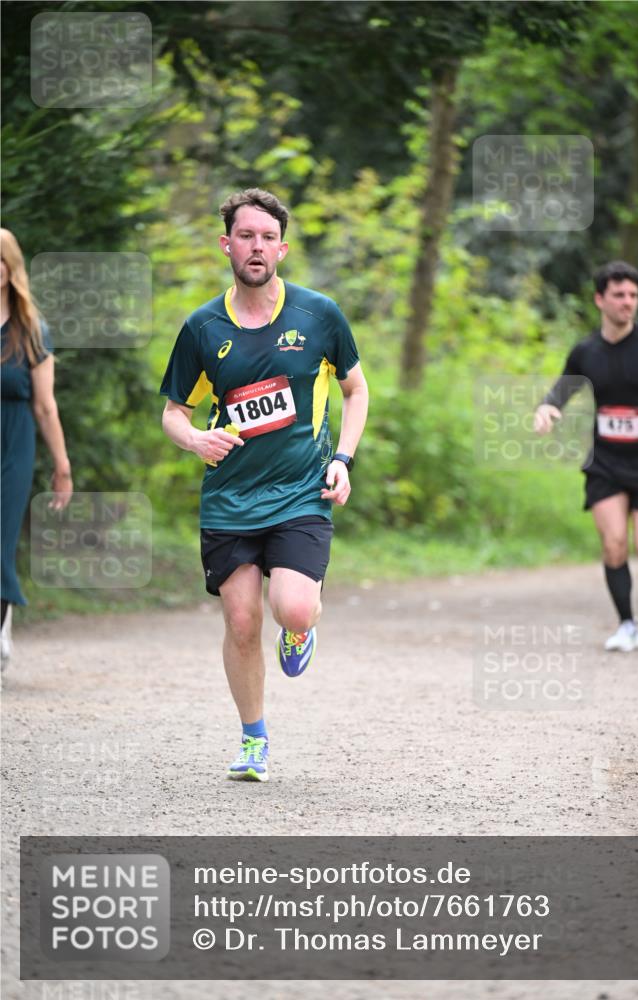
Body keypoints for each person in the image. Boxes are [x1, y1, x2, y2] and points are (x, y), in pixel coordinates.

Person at [160, 188, 368, 781]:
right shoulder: (203, 327)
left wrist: (344, 459)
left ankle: (300, 632)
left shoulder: (318, 315)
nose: (257, 247)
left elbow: (356, 391)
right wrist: (197, 439)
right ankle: (254, 740)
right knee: (243, 621)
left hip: (302, 490)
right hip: (229, 498)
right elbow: (174, 412)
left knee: (295, 609)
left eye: (267, 238)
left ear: (283, 247)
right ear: (227, 243)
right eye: (246, 236)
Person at [534, 261, 638, 652]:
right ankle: (627, 624)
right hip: (605, 462)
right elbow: (561, 390)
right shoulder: (585, 351)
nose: (628, 303)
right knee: (612, 545)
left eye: (633, 296)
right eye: (619, 295)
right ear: (599, 299)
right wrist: (546, 409)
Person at [1, 228, 73, 665]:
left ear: (11, 268)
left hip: (12, 445)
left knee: (1, 542)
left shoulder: (30, 329)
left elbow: (46, 406)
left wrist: (61, 465)